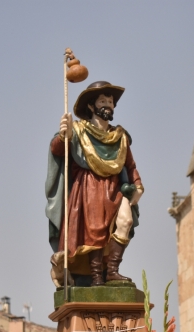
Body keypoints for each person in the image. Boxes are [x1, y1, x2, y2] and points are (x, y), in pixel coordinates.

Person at [45, 81, 144, 287]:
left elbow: (130, 164)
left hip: (115, 188)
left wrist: (137, 185)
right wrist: (64, 134)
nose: (108, 105)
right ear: (91, 106)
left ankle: (113, 271)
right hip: (89, 187)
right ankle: (97, 276)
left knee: (125, 222)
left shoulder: (120, 136)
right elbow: (57, 150)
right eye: (102, 101)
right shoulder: (79, 130)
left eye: (110, 101)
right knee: (95, 234)